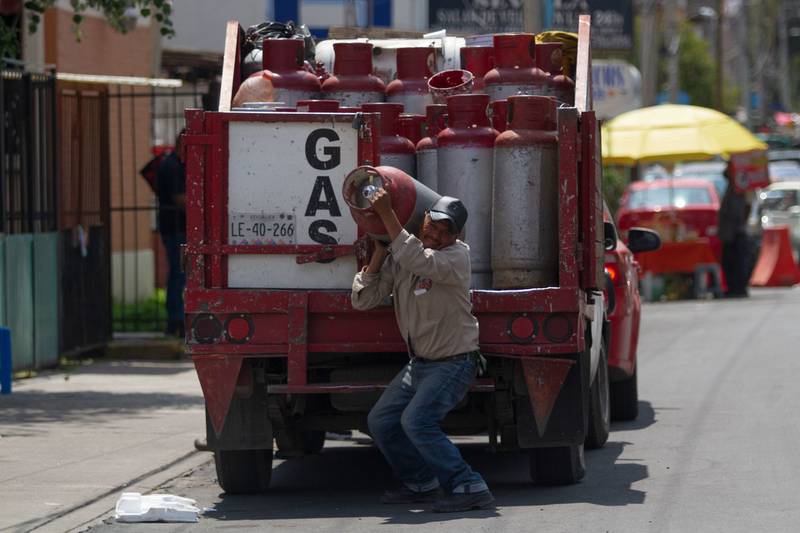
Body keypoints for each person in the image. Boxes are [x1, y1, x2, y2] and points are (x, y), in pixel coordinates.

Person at [351, 188, 494, 513]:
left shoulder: (456, 257)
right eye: (434, 224)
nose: (438, 234)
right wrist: (379, 253)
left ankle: (468, 485)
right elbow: (363, 300)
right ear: (423, 218)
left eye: (447, 231)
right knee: (382, 421)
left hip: (454, 362)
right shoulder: (404, 257)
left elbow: (417, 257)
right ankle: (421, 483)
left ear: (456, 237)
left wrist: (387, 214)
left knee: (417, 421)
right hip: (422, 364)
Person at [157, 130, 187, 336]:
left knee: (180, 274)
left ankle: (177, 319)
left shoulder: (176, 164)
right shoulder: (173, 166)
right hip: (175, 228)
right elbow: (180, 199)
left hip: (178, 227)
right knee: (178, 273)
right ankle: (175, 320)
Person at [718, 162, 750, 298]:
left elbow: (744, 208)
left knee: (737, 261)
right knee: (730, 261)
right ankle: (734, 287)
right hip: (730, 232)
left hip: (736, 232)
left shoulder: (740, 187)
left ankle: (738, 288)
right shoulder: (732, 187)